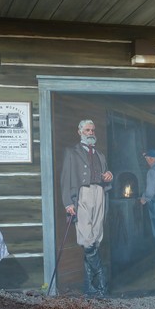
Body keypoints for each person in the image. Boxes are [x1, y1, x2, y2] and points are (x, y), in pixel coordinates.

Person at [60, 119, 113, 297]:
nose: (91, 132)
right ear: (80, 131)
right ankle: (102, 282)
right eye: (87, 130)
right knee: (87, 239)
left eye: (92, 130)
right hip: (82, 194)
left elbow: (105, 174)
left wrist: (109, 175)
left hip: (99, 193)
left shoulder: (100, 154)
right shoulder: (72, 153)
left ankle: (90, 287)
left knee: (96, 237)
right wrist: (68, 202)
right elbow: (66, 179)